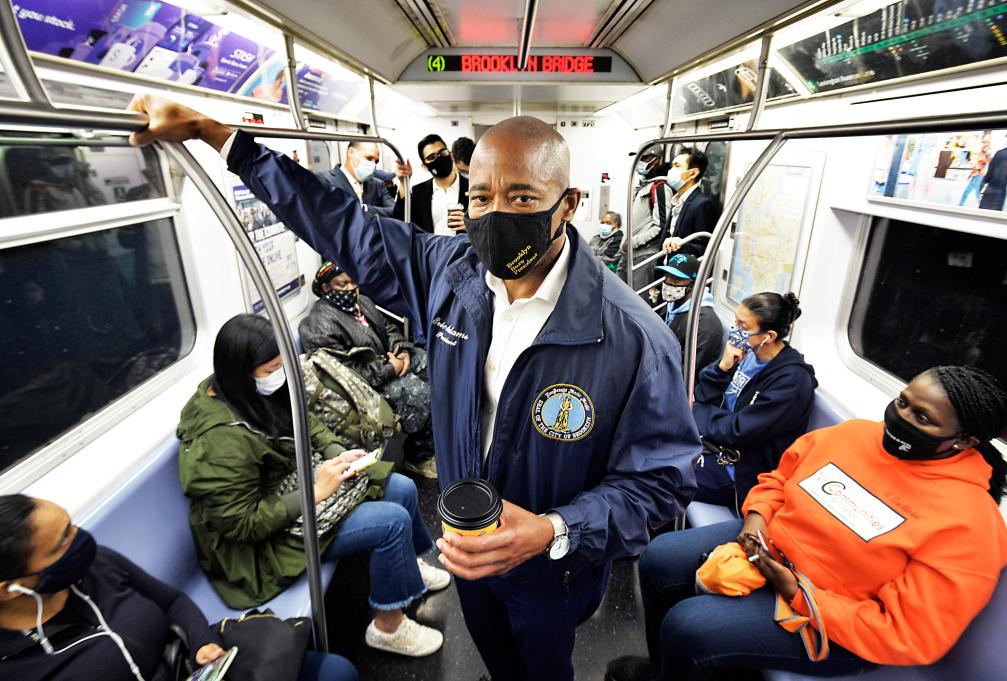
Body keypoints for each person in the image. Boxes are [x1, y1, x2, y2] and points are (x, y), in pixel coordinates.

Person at [128, 94, 700, 681]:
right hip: (464, 540)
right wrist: (218, 135)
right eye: (481, 198)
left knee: (542, 665)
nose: (496, 213)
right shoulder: (449, 276)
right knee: (495, 655)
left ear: (567, 205)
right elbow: (340, 223)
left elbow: (661, 483)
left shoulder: (634, 338)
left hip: (551, 568)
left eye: (522, 197)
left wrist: (555, 531)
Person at [607, 365, 1007, 681]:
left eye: (922, 418)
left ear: (964, 442)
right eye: (903, 401)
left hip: (835, 620)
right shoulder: (851, 436)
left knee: (689, 626)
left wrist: (797, 592)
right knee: (660, 557)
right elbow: (780, 480)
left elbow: (909, 634)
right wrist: (755, 519)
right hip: (771, 547)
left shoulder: (969, 523)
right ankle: (669, 672)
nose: (900, 417)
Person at [177, 314, 449, 656]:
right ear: (242, 372)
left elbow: (306, 422)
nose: (279, 375)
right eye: (271, 368)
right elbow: (242, 526)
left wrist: (337, 452)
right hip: (258, 549)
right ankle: (388, 627)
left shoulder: (248, 391)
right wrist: (316, 492)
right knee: (392, 523)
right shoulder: (218, 444)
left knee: (402, 489)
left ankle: (408, 568)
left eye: (281, 365)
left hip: (292, 489)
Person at [0, 494, 359, 681]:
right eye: (62, 542)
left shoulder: (96, 564)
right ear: (10, 588)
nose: (80, 540)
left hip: (186, 666)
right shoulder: (15, 665)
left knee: (335, 672)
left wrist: (202, 642)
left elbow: (171, 600)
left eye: (71, 526)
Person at [300, 261, 436, 479]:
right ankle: (417, 456)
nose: (350, 289)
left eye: (353, 282)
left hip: (388, 362)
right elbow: (345, 373)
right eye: (342, 284)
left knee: (433, 365)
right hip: (364, 386)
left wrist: (400, 351)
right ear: (326, 288)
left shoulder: (362, 302)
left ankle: (431, 436)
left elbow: (389, 329)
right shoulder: (318, 325)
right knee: (419, 395)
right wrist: (390, 369)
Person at [691, 292, 815, 508]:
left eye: (744, 326)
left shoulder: (791, 382)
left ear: (770, 336)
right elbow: (703, 396)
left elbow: (738, 430)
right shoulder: (747, 355)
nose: (735, 329)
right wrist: (721, 368)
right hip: (711, 443)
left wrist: (694, 411)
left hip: (738, 471)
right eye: (735, 321)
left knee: (660, 473)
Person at [655, 253, 722, 375]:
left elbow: (689, 369)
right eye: (667, 276)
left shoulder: (705, 323)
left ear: (694, 284)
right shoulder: (673, 303)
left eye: (676, 279)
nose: (668, 283)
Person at [392, 134, 469, 235]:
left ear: (451, 155)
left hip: (465, 249)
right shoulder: (419, 192)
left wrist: (472, 227)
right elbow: (400, 222)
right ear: (424, 166)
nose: (439, 158)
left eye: (443, 152)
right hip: (431, 249)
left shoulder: (472, 188)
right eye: (432, 157)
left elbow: (490, 224)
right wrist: (403, 182)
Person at [621, 146, 672, 290]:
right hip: (629, 254)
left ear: (656, 160)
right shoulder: (644, 186)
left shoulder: (660, 188)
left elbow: (660, 227)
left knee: (638, 299)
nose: (640, 163)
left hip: (644, 256)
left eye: (643, 158)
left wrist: (633, 243)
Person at [660, 148, 720, 257]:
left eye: (677, 166)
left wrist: (681, 244)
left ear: (692, 173)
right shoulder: (678, 200)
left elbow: (705, 248)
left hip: (682, 269)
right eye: (672, 166)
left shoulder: (702, 204)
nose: (671, 171)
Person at [319, 142, 396, 219]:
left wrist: (365, 209)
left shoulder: (377, 184)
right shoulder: (325, 181)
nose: (373, 165)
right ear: (351, 152)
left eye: (376, 162)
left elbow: (394, 211)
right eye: (369, 158)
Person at [979, 129, 1007, 211]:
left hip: (990, 188)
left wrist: (982, 185)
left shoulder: (998, 153)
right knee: (994, 216)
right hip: (1001, 190)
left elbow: (989, 172)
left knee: (982, 213)